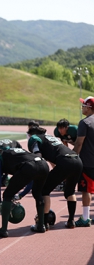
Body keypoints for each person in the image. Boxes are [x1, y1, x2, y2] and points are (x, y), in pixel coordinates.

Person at [27, 126, 82, 229]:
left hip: (65, 162)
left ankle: (44, 223)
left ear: (32, 134)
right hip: (77, 160)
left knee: (44, 190)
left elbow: (37, 156)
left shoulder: (35, 138)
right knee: (70, 192)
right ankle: (71, 221)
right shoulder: (50, 137)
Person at [0, 146, 49, 236]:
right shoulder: (14, 154)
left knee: (7, 195)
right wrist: (21, 195)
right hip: (44, 164)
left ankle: (3, 230)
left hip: (29, 166)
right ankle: (41, 225)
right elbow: (30, 180)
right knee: (37, 194)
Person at [72, 96, 94, 227]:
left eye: (84, 105)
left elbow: (79, 143)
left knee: (86, 190)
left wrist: (74, 157)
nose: (82, 107)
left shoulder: (84, 123)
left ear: (89, 107)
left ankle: (85, 218)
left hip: (87, 162)